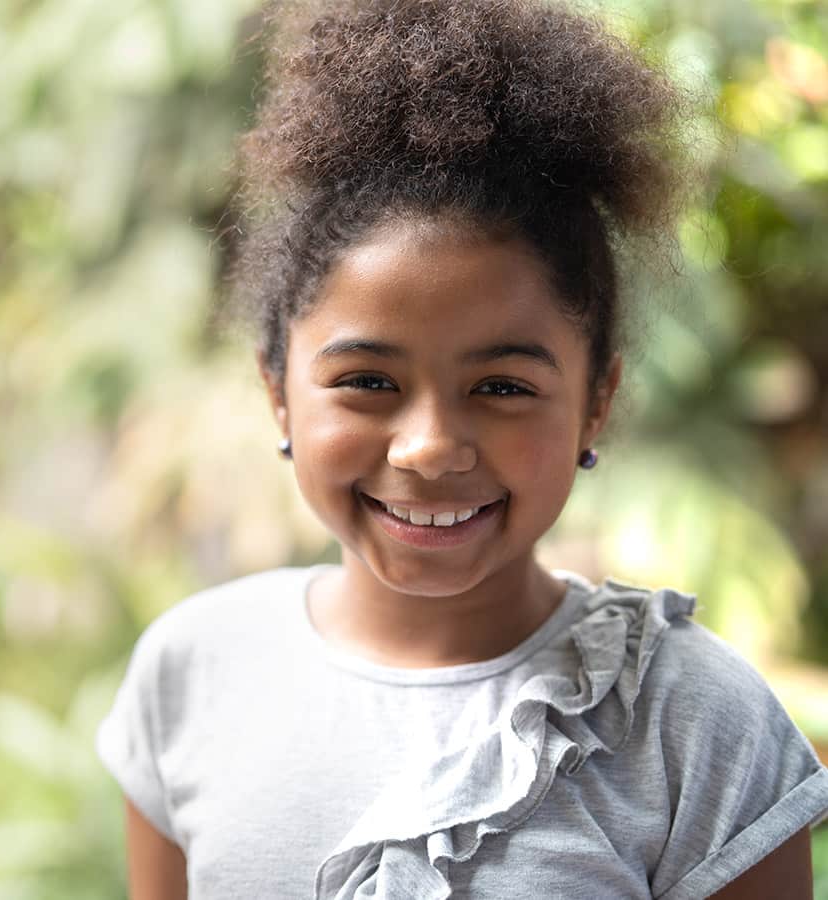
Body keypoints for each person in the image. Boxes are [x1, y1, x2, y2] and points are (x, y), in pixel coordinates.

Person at [95, 1, 828, 897]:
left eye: (503, 387)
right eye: (367, 381)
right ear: (275, 390)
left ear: (597, 400)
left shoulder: (694, 722)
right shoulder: (194, 671)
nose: (431, 448)